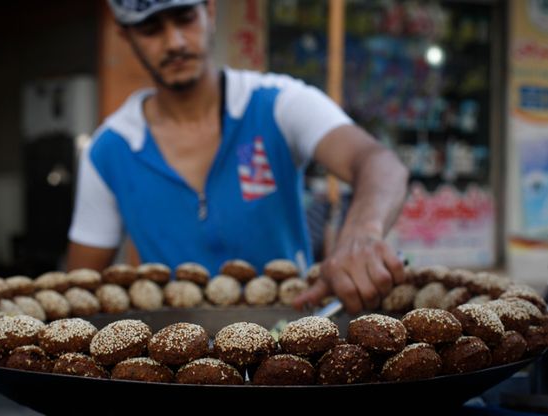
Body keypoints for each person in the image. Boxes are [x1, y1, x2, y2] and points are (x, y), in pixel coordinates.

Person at [66, 0, 409, 314]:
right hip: (178, 365)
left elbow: (377, 161)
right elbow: (81, 290)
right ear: (126, 36)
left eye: (185, 18)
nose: (175, 43)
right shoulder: (109, 151)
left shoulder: (275, 103)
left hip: (293, 349)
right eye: (150, 29)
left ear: (210, 12)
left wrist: (362, 233)